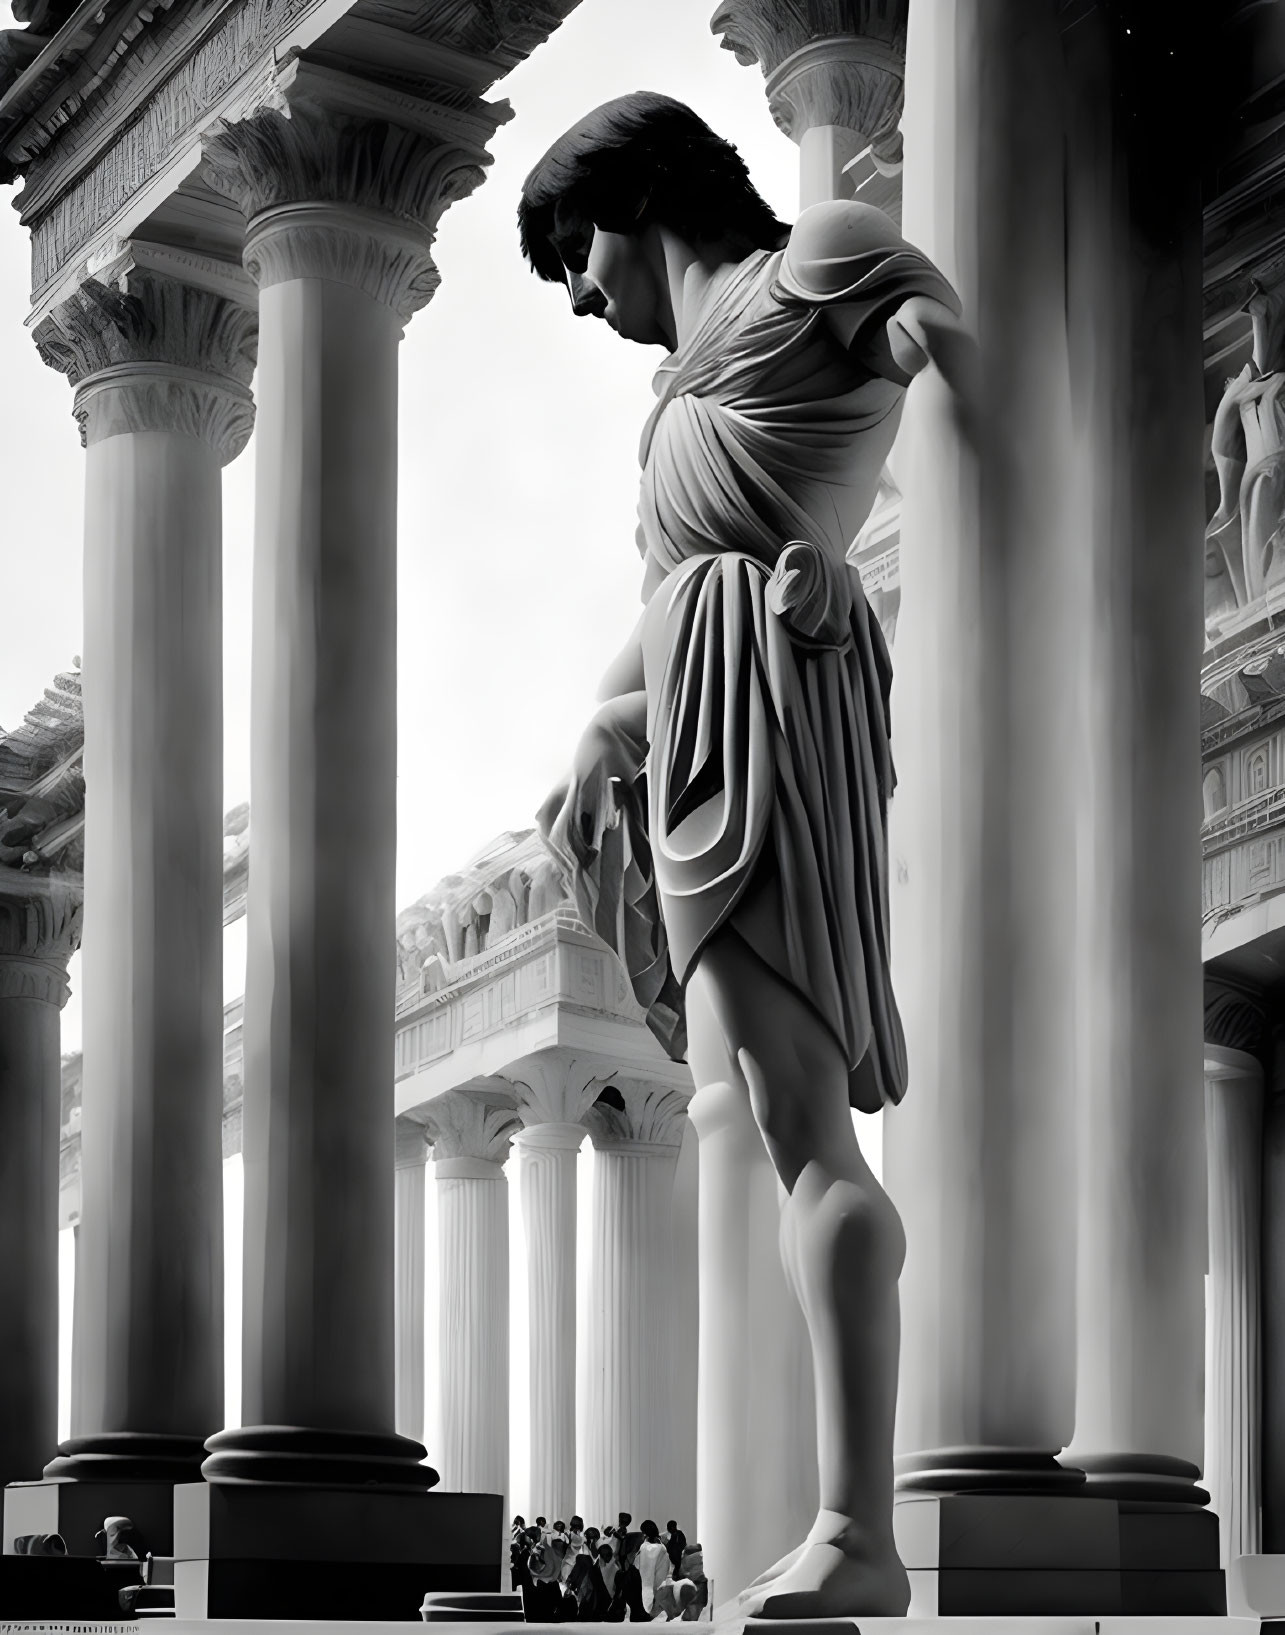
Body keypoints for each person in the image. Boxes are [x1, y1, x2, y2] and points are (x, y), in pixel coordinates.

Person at [521, 91, 974, 1620]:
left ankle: (863, 1521)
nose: (581, 295)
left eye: (575, 252)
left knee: (807, 1135)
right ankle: (846, 1517)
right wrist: (600, 725)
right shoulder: (665, 414)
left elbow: (975, 416)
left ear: (637, 195)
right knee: (789, 1140)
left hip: (778, 700)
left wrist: (873, 580)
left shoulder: (823, 261)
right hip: (697, 740)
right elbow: (658, 614)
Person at [636, 1520, 670, 1615]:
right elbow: (664, 1571)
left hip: (644, 1586)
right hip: (657, 1588)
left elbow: (637, 1566)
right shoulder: (662, 1548)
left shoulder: (643, 1547)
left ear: (644, 1533)